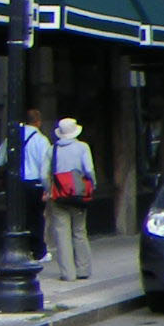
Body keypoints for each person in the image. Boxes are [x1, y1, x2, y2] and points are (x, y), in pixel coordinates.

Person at [0, 107, 53, 260]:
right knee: (36, 218)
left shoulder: (13, 138)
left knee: (17, 219)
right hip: (34, 184)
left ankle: (16, 249)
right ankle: (38, 251)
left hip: (15, 184)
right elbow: (45, 168)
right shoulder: (41, 140)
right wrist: (47, 188)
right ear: (38, 122)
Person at [45, 118, 96, 281]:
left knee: (62, 234)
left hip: (58, 196)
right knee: (79, 231)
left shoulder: (52, 150)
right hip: (78, 194)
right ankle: (83, 269)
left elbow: (43, 175)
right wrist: (92, 185)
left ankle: (68, 273)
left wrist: (49, 190)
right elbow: (89, 170)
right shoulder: (82, 147)